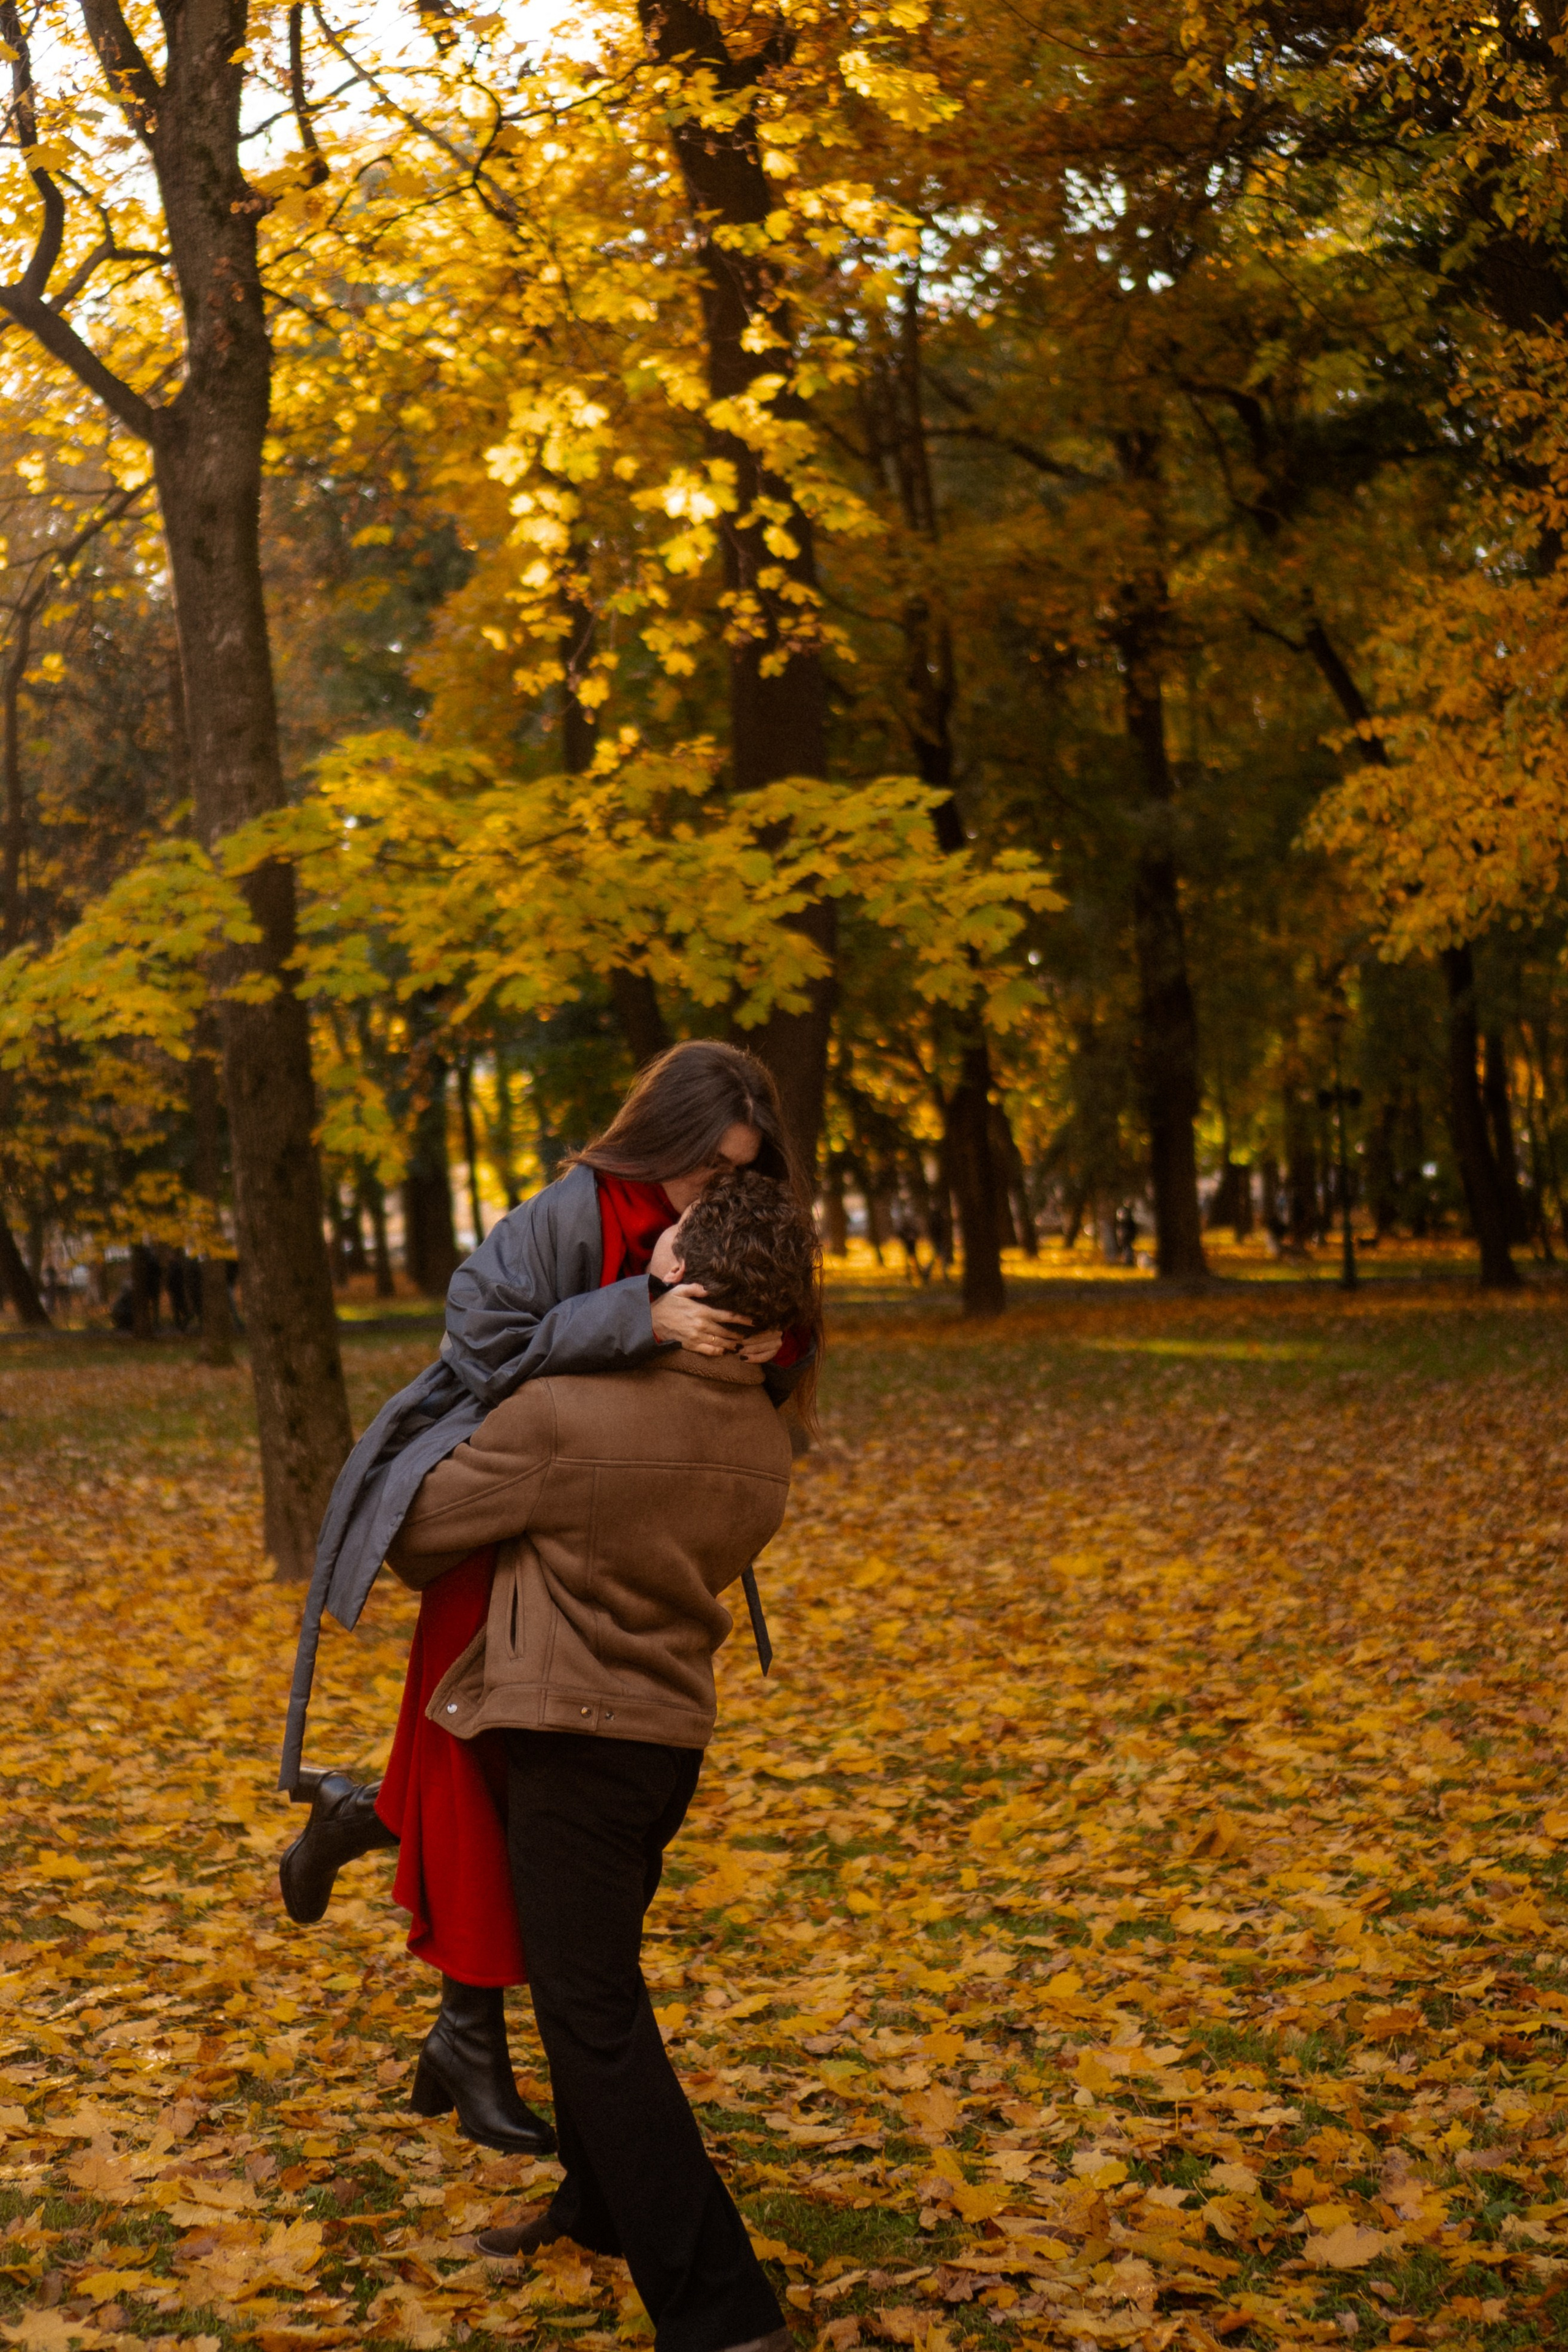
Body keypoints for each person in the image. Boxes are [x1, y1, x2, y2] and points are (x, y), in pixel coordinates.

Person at [277, 1042, 816, 2152]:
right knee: (482, 1778)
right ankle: (464, 2024)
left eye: (742, 1174)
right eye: (707, 1169)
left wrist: (765, 1348)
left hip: (603, 1528)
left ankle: (382, 1847)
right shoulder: (561, 1218)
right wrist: (641, 1316)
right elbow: (480, 1350)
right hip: (500, 1506)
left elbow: (757, 1332)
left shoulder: (722, 1211)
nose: (722, 1192)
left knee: (501, 1787)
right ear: (661, 1138)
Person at [385, 1169, 815, 2352]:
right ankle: (597, 2206)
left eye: (660, 1242)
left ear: (676, 1277)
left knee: (593, 2017)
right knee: (597, 1987)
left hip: (571, 1746)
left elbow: (418, 1538)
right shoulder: (763, 1441)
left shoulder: (568, 1417)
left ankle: (722, 2312)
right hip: (665, 1744)